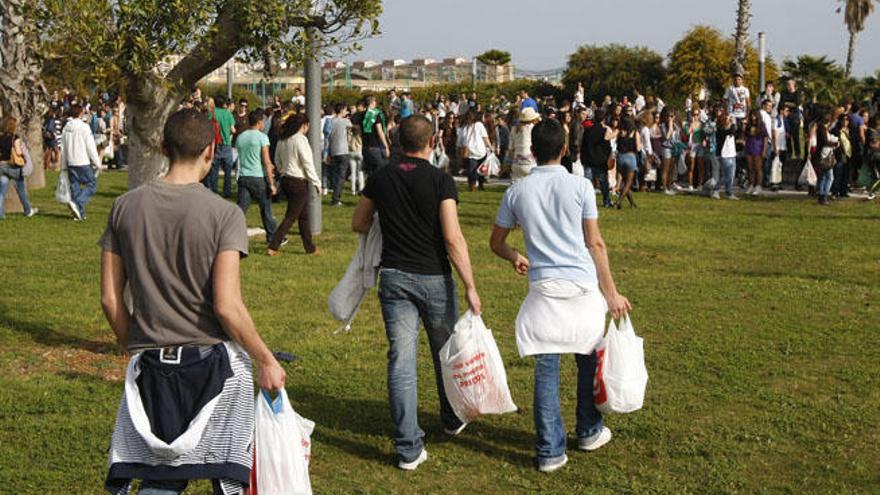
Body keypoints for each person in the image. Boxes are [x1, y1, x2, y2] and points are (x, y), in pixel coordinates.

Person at [100, 108, 286, 495]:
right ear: (210, 150)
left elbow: (109, 298)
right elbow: (226, 305)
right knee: (228, 473)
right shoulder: (223, 214)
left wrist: (131, 342)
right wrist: (266, 358)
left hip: (152, 362)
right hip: (211, 366)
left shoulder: (124, 207)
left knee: (160, 474)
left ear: (164, 147)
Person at [489, 118, 631, 473]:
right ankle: (588, 430)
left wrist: (515, 256)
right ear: (565, 150)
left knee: (547, 370)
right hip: (582, 289)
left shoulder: (516, 192)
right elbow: (594, 242)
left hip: (545, 292)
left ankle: (550, 450)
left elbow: (496, 242)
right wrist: (610, 293)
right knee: (587, 363)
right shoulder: (580, 186)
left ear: (532, 152)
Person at [351, 115, 482, 471]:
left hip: (395, 277)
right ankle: (451, 417)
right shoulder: (440, 180)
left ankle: (408, 445)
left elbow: (359, 222)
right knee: (445, 352)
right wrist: (470, 284)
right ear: (433, 140)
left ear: (395, 139)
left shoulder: (381, 177)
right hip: (435, 277)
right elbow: (453, 237)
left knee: (402, 359)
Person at [268, 113, 320, 256]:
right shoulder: (300, 140)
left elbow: (276, 160)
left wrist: (282, 170)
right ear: (304, 125)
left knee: (303, 216)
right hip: (298, 181)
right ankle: (273, 245)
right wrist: (316, 182)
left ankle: (310, 248)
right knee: (291, 216)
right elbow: (307, 162)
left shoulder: (282, 139)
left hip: (286, 179)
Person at [235, 109, 277, 243]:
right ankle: (272, 237)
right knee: (266, 209)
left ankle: (231, 233)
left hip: (243, 176)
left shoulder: (240, 137)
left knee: (241, 209)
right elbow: (266, 161)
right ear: (259, 122)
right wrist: (271, 183)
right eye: (263, 122)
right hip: (257, 177)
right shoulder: (262, 137)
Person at [61, 104, 101, 220]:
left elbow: (63, 147)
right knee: (91, 184)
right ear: (80, 113)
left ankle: (80, 214)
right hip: (82, 160)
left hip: (70, 161)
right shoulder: (84, 127)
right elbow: (91, 146)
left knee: (75, 187)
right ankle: (78, 203)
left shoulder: (66, 128)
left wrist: (63, 164)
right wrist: (97, 162)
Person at [0, 116, 37, 219]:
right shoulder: (15, 138)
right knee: (21, 190)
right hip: (13, 167)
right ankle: (28, 210)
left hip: (2, 166)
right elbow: (18, 152)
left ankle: (0, 213)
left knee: (2, 191)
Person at [205, 96, 236, 197]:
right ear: (224, 104)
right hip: (226, 144)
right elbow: (233, 129)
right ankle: (227, 192)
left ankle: (213, 190)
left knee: (214, 169)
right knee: (228, 170)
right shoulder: (228, 113)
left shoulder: (212, 113)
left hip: (215, 144)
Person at [581, 109, 613, 207]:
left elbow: (583, 146)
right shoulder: (604, 131)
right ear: (603, 119)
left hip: (588, 159)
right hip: (600, 160)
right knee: (603, 182)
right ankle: (606, 201)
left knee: (588, 182)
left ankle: (587, 202)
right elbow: (607, 147)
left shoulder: (588, 130)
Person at [460, 110, 493, 191]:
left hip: (476, 152)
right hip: (475, 152)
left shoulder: (474, 126)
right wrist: (490, 147)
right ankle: (475, 185)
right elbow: (485, 138)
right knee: (476, 170)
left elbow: (485, 138)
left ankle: (476, 185)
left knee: (477, 170)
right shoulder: (467, 127)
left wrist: (490, 147)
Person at [712, 108, 739, 200]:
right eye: (727, 119)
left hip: (732, 154)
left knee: (731, 176)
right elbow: (731, 131)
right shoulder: (720, 130)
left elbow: (736, 131)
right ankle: (715, 190)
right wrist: (733, 123)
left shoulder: (730, 128)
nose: (729, 120)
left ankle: (729, 192)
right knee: (727, 175)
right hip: (724, 155)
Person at [328, 103, 353, 206]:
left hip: (333, 150)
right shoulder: (346, 121)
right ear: (342, 110)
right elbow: (352, 130)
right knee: (341, 176)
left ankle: (335, 195)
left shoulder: (331, 121)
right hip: (343, 150)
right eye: (345, 110)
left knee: (335, 175)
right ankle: (336, 198)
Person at [361, 96, 390, 175]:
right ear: (372, 103)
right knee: (381, 170)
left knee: (370, 172)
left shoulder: (360, 115)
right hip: (375, 145)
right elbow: (380, 131)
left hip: (365, 146)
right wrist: (386, 146)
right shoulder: (376, 114)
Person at [615, 116, 640, 208]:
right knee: (629, 182)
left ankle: (632, 204)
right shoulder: (635, 132)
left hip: (621, 157)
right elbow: (638, 147)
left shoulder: (620, 132)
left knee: (625, 181)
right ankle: (618, 202)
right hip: (630, 157)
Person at [511, 107, 541, 181]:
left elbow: (510, 148)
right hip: (530, 163)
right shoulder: (533, 128)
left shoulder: (514, 129)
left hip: (517, 162)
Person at [744, 109, 768, 195]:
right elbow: (745, 136)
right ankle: (751, 185)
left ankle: (758, 186)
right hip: (749, 148)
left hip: (758, 148)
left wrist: (764, 150)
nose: (753, 117)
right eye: (751, 115)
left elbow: (765, 138)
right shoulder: (748, 125)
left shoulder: (761, 125)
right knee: (750, 168)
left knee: (758, 168)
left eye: (754, 115)